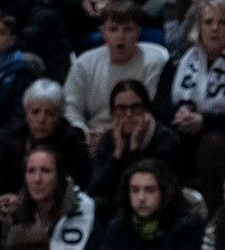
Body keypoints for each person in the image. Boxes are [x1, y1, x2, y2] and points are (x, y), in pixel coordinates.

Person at [154, 0, 225, 204]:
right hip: (183, 128)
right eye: (208, 22)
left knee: (211, 144)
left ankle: (214, 211)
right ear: (199, 27)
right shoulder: (179, 58)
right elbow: (159, 105)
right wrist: (179, 112)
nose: (215, 28)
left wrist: (204, 120)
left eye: (223, 23)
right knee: (164, 139)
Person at [64, 0, 170, 150]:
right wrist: (82, 132)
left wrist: (111, 136)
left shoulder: (156, 59)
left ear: (138, 32)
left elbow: (149, 108)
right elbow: (70, 106)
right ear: (103, 33)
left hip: (137, 134)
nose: (120, 37)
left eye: (128, 29)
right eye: (113, 29)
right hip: (92, 137)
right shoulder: (84, 63)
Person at [86, 79, 182, 208]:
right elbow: (95, 188)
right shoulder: (110, 139)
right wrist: (118, 152)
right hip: (119, 207)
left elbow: (152, 188)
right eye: (121, 108)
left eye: (136, 107)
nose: (129, 114)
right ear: (113, 113)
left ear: (147, 110)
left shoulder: (166, 139)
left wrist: (134, 147)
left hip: (157, 207)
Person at [0, 146, 100, 250]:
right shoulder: (15, 213)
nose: (37, 179)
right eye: (31, 171)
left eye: (46, 171)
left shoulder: (85, 212)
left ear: (60, 176)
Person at [0, 79, 93, 195]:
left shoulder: (73, 145)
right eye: (35, 112)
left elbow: (80, 189)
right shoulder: (10, 143)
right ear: (26, 114)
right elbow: (0, 190)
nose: (42, 120)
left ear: (60, 117)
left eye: (50, 113)